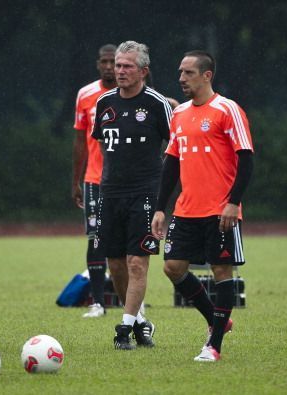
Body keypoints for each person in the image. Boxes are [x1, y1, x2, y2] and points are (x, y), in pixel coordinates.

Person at [151, 50, 253, 362]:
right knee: (172, 268)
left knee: (221, 271)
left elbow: (246, 158)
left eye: (188, 73)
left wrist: (233, 203)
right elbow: (171, 164)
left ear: (207, 75)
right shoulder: (179, 114)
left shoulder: (227, 109)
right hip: (186, 209)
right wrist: (160, 208)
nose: (181, 78)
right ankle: (216, 319)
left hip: (219, 210)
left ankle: (214, 346)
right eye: (180, 72)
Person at [90, 41, 172, 350]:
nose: (119, 70)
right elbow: (102, 145)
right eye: (118, 65)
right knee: (116, 263)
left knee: (137, 262)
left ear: (143, 71)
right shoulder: (104, 103)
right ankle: (140, 321)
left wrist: (161, 186)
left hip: (146, 192)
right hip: (111, 192)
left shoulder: (155, 103)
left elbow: (173, 146)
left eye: (126, 66)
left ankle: (124, 328)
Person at [71, 44, 117, 318]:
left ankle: (131, 301)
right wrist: (75, 181)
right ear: (97, 64)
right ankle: (98, 302)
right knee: (96, 238)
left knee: (126, 241)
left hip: (123, 181)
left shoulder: (129, 93)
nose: (110, 66)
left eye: (115, 61)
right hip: (94, 179)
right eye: (105, 61)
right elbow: (79, 142)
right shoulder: (85, 94)